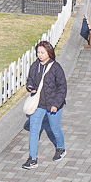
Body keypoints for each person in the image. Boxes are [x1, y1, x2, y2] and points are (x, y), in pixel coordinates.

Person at [23, 40, 67, 169]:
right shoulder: (35, 66)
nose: (40, 55)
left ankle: (61, 148)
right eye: (38, 52)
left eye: (42, 52)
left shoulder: (56, 68)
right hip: (39, 104)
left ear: (49, 52)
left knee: (55, 128)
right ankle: (32, 158)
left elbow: (62, 88)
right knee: (34, 130)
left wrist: (56, 104)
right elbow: (30, 79)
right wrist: (30, 87)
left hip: (53, 104)